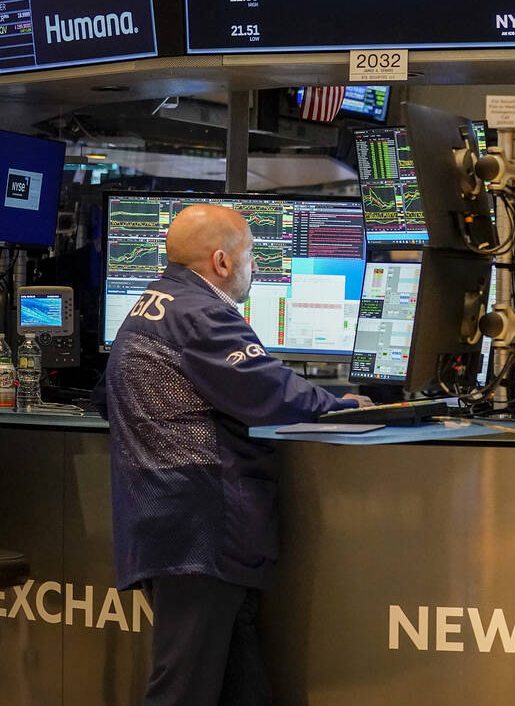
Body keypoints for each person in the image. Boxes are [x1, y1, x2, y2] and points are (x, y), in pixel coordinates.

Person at [97, 204, 371, 705]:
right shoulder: (201, 313)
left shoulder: (152, 303)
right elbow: (268, 392)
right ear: (222, 261)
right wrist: (343, 405)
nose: (256, 267)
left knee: (236, 681)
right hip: (200, 528)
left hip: (169, 518)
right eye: (250, 255)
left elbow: (105, 397)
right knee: (184, 688)